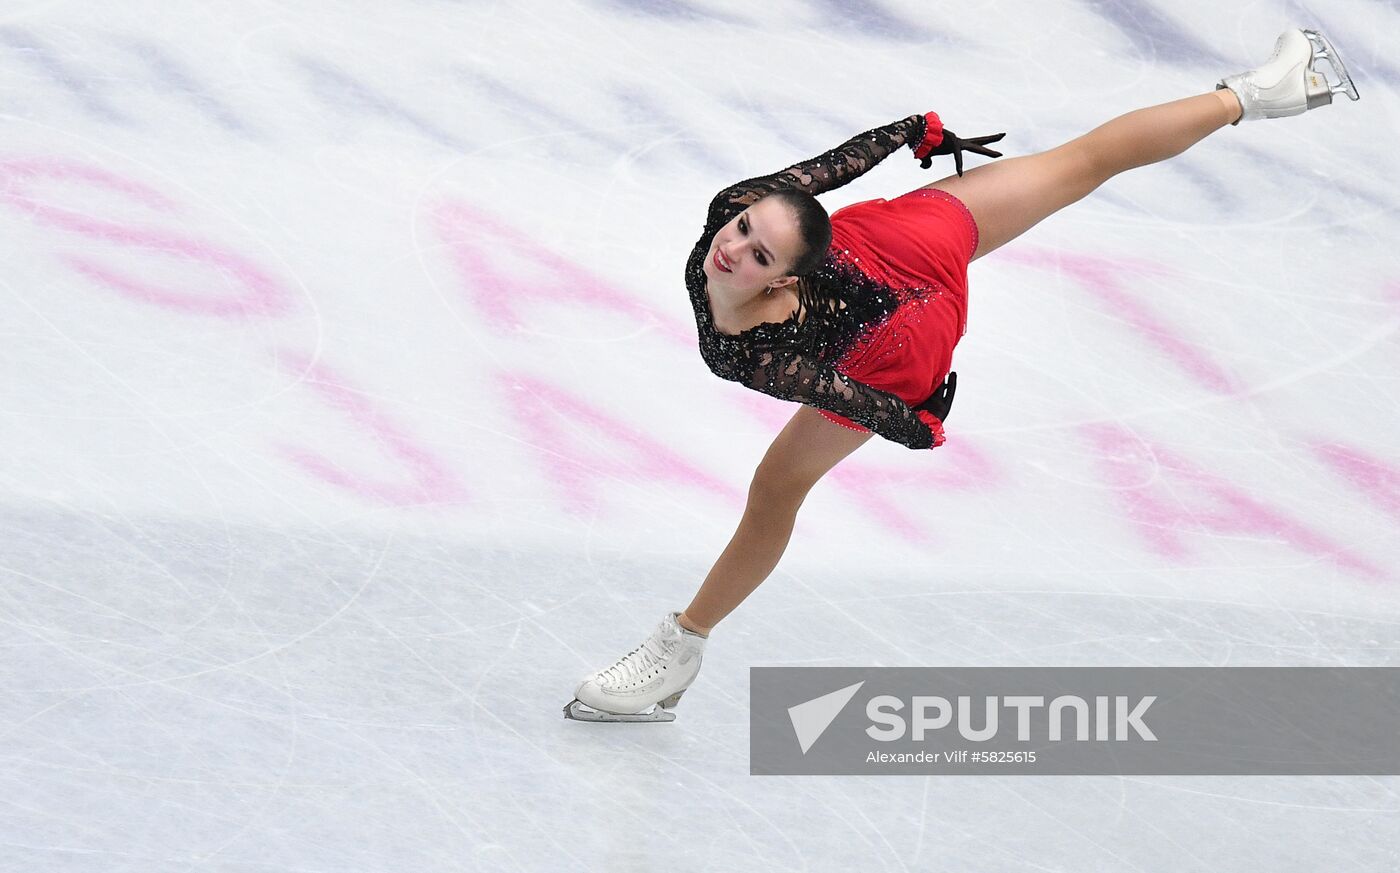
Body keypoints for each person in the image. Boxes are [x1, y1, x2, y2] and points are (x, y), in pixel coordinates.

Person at [564, 27, 1360, 722]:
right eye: (742, 230)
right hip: (904, 252)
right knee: (1076, 164)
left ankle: (680, 650)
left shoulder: (753, 352)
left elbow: (861, 395)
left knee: (778, 487)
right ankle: (1272, 92)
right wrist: (914, 130)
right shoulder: (742, 216)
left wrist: (923, 421)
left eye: (759, 251)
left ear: (783, 277)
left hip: (902, 319)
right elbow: (830, 172)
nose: (732, 247)